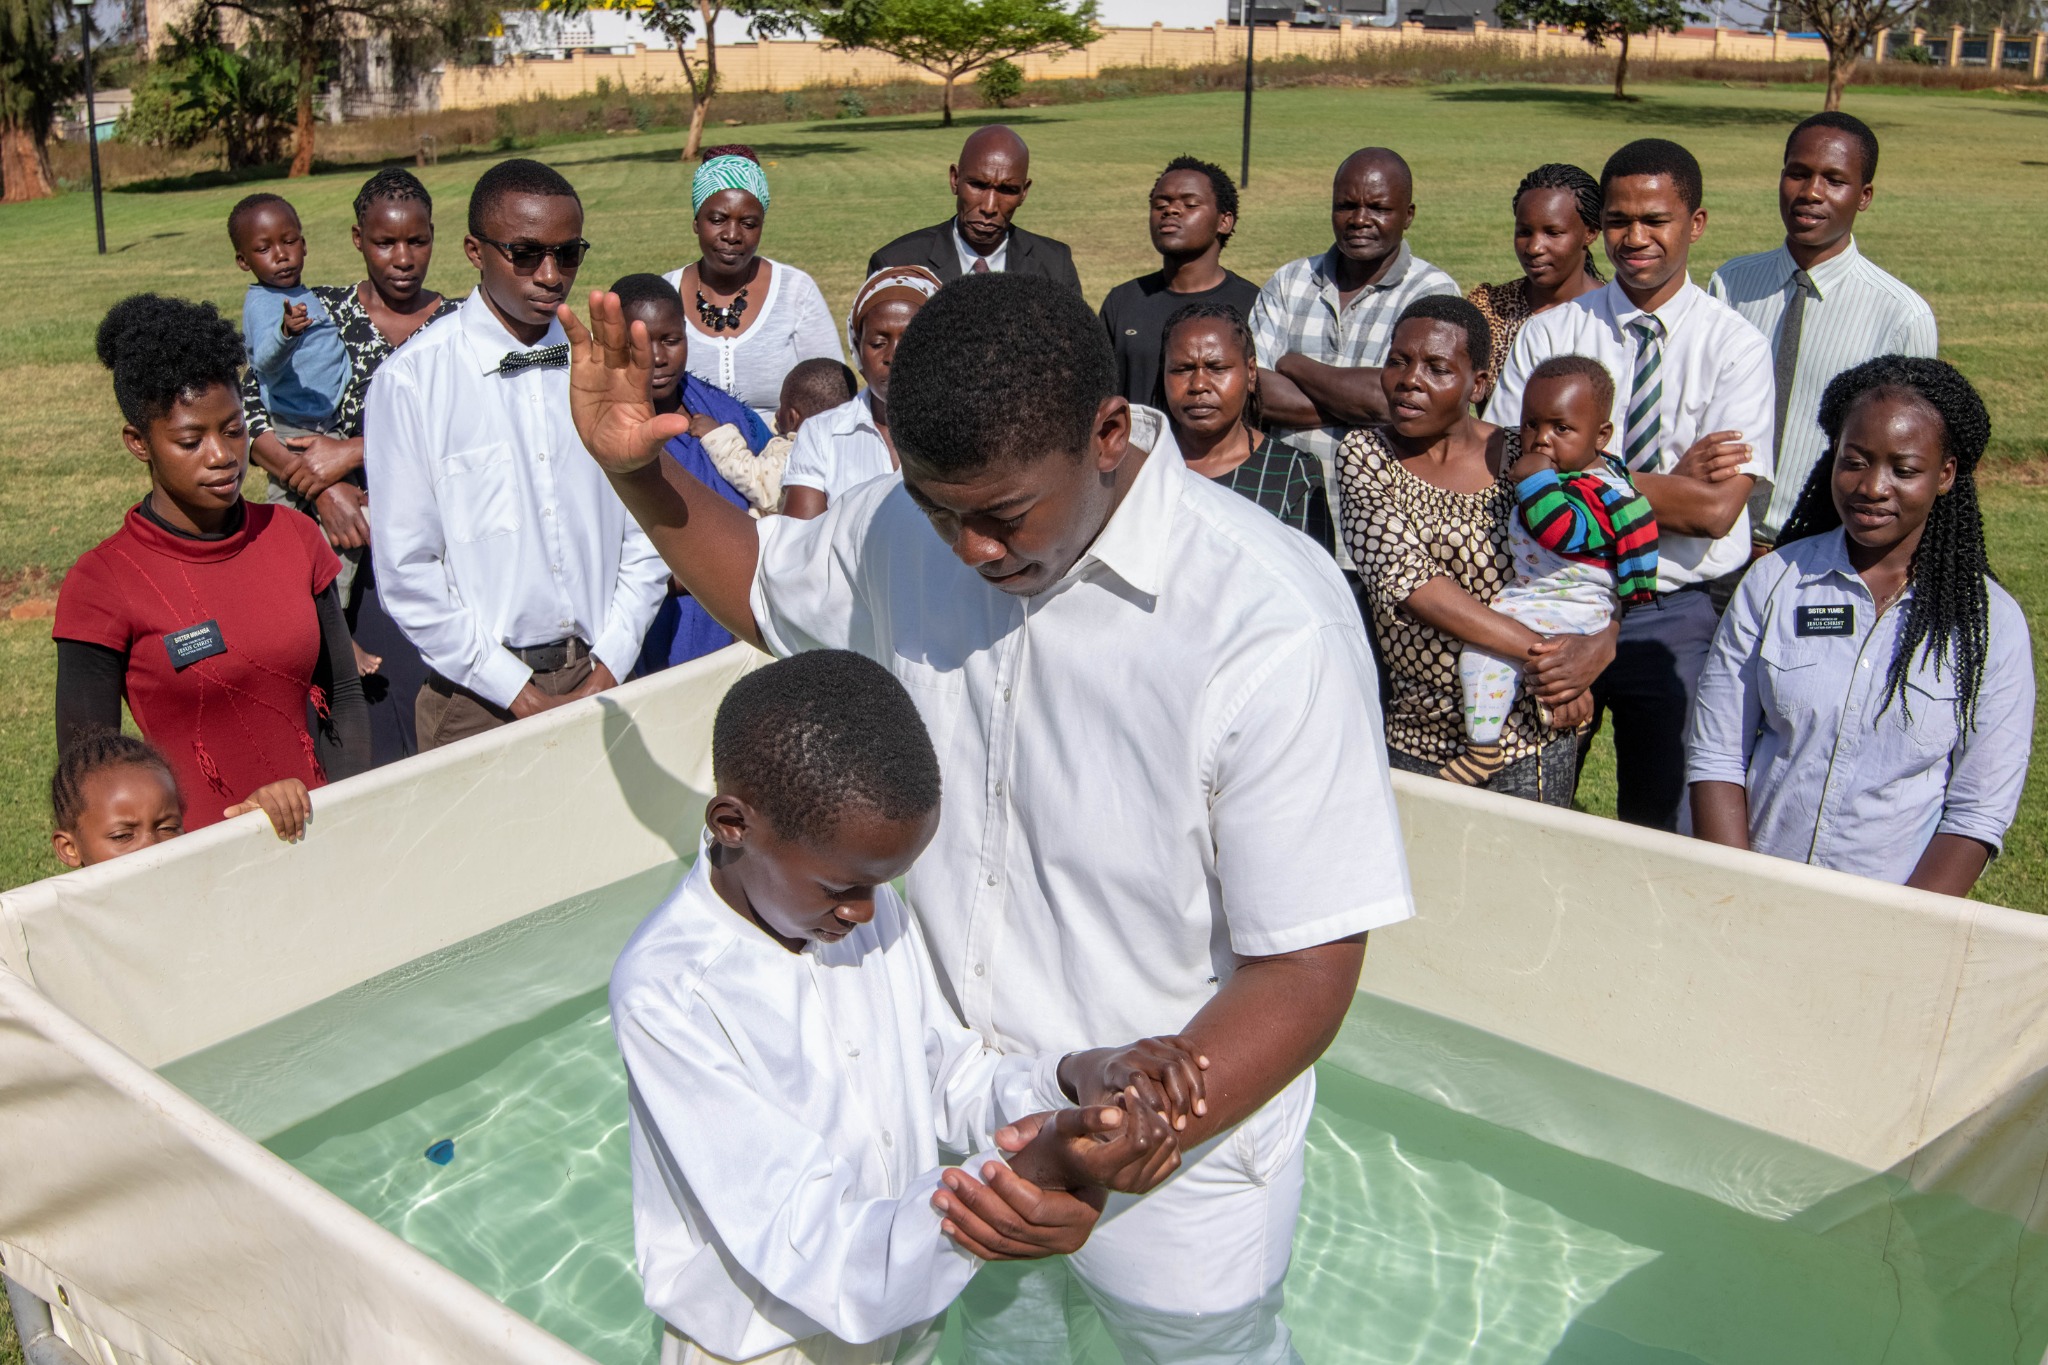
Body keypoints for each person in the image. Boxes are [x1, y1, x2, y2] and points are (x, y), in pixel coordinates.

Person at [564, 270, 1413, 1362]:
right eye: (937, 509)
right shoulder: (911, 527)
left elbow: (1305, 965)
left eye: (1003, 518)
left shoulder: (1270, 622)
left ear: (1107, 434)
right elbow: (772, 590)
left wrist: (1129, 1134)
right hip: (969, 1131)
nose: (968, 550)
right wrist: (636, 473)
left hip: (1177, 1164)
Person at [615, 648, 1206, 1365]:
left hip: (906, 1312)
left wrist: (1074, 1082)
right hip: (769, 1345)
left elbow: (944, 1076)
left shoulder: (853, 908)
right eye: (843, 888)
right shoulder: (671, 992)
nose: (867, 911)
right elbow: (807, 1241)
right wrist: (1023, 1179)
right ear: (732, 823)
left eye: (883, 883)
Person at [1491, 138, 1775, 832]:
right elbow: (1509, 469)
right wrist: (1667, 486)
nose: (1635, 238)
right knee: (1528, 801)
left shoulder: (1735, 347)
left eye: (1655, 220)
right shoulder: (1551, 335)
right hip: (1554, 596)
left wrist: (1572, 477)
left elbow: (1714, 512)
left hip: (1676, 609)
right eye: (1619, 220)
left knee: (1662, 819)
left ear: (1695, 224)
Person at [1688, 357, 2032, 898]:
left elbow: (1978, 810)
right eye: (1854, 462)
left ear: (1945, 475)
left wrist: (1901, 927)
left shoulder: (1991, 625)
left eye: (1904, 470)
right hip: (1752, 892)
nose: (1872, 486)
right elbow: (1716, 753)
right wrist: (1739, 894)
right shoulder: (1776, 581)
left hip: (1891, 916)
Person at [364, 159, 669, 750]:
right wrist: (517, 691)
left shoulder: (605, 368)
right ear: (474, 251)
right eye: (525, 254)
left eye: (568, 254)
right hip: (476, 697)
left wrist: (611, 662)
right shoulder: (413, 382)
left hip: (606, 674)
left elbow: (646, 528)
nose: (551, 275)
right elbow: (408, 569)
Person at [54, 294, 369, 831]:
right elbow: (89, 776)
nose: (222, 456)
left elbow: (343, 693)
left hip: (321, 836)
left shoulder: (293, 536)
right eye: (190, 440)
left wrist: (349, 814)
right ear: (138, 442)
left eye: (233, 430)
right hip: (198, 857)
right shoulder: (102, 582)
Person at [1338, 297, 1614, 807]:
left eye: (1437, 367)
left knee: (1528, 860)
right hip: (1421, 736)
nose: (1410, 380)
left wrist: (1602, 643)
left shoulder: (1526, 454)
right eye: (1398, 361)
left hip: (1529, 735)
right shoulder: (1366, 456)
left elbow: (1605, 538)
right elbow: (1416, 587)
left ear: (1479, 384)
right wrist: (1556, 663)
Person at [241, 167, 459, 765]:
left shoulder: (459, 325)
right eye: (385, 242)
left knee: (439, 729)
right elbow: (251, 413)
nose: (403, 258)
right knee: (360, 739)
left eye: (417, 241)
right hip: (338, 546)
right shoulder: (317, 312)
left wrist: (357, 451)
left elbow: (474, 430)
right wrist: (320, 487)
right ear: (358, 239)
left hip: (440, 555)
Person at [1709, 111, 1939, 550]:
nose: (1811, 192)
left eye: (1834, 180)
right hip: (1716, 541)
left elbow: (1911, 456)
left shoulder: (1901, 316)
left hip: (1820, 548)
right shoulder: (1730, 284)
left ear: (1864, 196)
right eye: (1798, 173)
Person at [1445, 356, 1657, 787]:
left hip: (1565, 603)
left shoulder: (1599, 491)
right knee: (1546, 673)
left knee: (1484, 654)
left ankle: (1482, 747)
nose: (1541, 439)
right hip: (1560, 602)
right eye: (1531, 425)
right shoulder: (1579, 475)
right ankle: (1566, 707)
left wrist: (1535, 481)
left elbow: (1561, 531)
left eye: (1561, 428)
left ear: (1601, 436)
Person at [1250, 147, 1461, 577]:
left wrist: (1295, 365)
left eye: (1378, 208)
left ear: (1408, 215)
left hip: (1387, 536)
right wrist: (1364, 401)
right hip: (1284, 523)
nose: (1360, 219)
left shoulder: (1432, 292)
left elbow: (1397, 401)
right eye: (1346, 205)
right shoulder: (1290, 282)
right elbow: (1252, 391)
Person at [613, 271, 774, 673]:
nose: (658, 358)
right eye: (639, 344)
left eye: (671, 340)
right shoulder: (600, 434)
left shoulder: (727, 414)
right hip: (649, 639)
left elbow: (773, 491)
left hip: (738, 629)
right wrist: (704, 567)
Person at [663, 146, 841, 428]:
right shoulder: (664, 295)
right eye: (718, 220)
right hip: (686, 448)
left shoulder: (796, 291)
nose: (733, 235)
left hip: (783, 449)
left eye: (748, 224)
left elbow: (832, 398)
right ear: (696, 222)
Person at [1159, 303, 1333, 555]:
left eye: (1217, 368)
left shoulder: (1292, 474)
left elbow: (1313, 573)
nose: (1198, 385)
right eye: (1182, 369)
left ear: (1251, 373)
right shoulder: (1143, 462)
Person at [782, 266, 943, 520]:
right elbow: (801, 537)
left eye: (911, 341)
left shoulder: (970, 430)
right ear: (857, 348)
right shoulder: (823, 434)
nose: (893, 357)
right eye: (878, 344)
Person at [1099, 155, 1259, 406]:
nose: (1170, 211)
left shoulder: (1253, 304)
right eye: (1159, 205)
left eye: (1190, 204)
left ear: (1224, 221)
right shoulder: (1123, 301)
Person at [866, 126, 1082, 291]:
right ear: (955, 180)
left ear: (1023, 193)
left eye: (1007, 190)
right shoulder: (896, 266)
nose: (989, 207)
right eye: (978, 185)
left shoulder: (1055, 265)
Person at [1465, 163, 1605, 398]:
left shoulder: (1612, 314)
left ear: (1590, 233)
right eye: (1524, 232)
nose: (1534, 248)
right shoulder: (1490, 309)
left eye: (1553, 233)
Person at [229, 193, 348, 443]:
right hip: (300, 424)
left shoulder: (301, 292)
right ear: (243, 261)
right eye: (264, 249)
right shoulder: (261, 303)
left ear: (303, 245)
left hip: (328, 414)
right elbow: (263, 360)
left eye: (289, 241)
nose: (281, 255)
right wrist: (285, 333)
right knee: (314, 470)